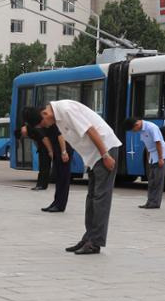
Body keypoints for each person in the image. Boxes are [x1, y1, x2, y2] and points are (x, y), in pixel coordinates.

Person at [24, 101, 121, 255]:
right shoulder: (58, 117)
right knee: (91, 198)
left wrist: (105, 155)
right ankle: (88, 237)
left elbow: (91, 130)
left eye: (43, 124)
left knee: (100, 198)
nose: (46, 127)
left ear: (45, 114)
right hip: (94, 156)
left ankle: (95, 242)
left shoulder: (66, 110)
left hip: (104, 150)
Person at [123, 117, 165, 209]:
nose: (134, 132)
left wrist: (160, 158)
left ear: (136, 125)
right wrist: (148, 158)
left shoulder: (151, 127)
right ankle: (149, 201)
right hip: (152, 157)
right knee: (151, 181)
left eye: (133, 130)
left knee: (157, 181)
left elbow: (158, 143)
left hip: (160, 156)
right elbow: (147, 145)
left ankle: (155, 203)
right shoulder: (141, 130)